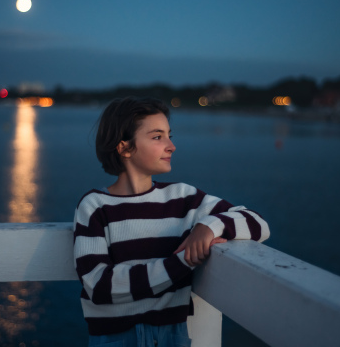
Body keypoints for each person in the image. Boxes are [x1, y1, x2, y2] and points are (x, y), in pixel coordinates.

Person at [73, 96, 270, 347]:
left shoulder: (183, 198)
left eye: (169, 135)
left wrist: (207, 227)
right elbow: (98, 285)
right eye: (157, 137)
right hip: (114, 339)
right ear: (124, 148)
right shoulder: (94, 206)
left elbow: (258, 223)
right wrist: (184, 260)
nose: (171, 146)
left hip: (172, 336)